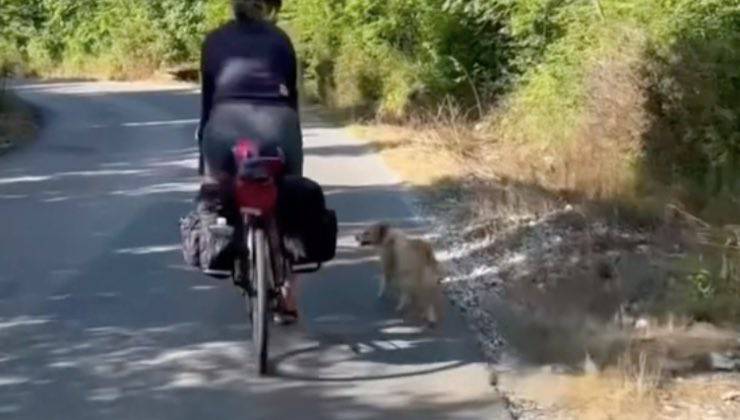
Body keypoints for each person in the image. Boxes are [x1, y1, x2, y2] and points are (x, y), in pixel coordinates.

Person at [197, 0, 301, 323]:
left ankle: (226, 240)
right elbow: (292, 96)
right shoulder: (281, 39)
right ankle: (288, 296)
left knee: (218, 191)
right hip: (279, 124)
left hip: (224, 126)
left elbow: (207, 102)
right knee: (289, 196)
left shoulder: (214, 41)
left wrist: (205, 149)